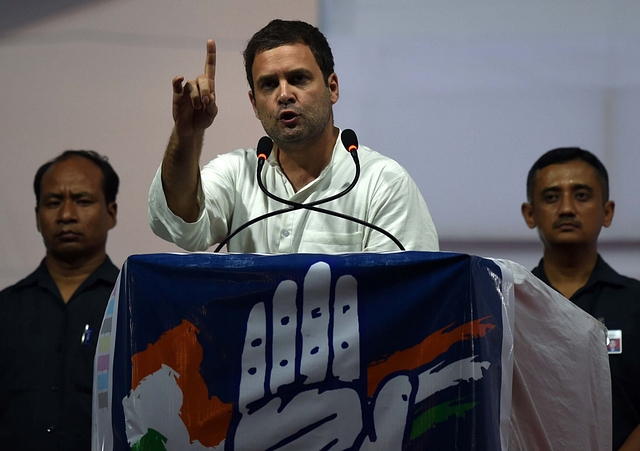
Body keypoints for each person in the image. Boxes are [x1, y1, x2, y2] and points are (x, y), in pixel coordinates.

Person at [148, 19, 438, 253]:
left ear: (332, 88)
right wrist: (187, 133)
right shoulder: (238, 174)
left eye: (298, 79)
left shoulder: (382, 182)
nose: (284, 94)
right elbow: (181, 226)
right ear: (254, 104)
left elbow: (407, 297)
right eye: (269, 85)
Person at [521, 147, 640, 450]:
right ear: (530, 213)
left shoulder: (636, 302)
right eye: (551, 197)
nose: (566, 208)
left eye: (582, 195)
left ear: (607, 211)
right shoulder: (508, 303)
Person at [0, 150, 119, 450]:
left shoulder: (135, 307)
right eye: (53, 203)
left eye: (82, 200)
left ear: (111, 212)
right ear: (38, 217)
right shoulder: (6, 309)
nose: (66, 215)